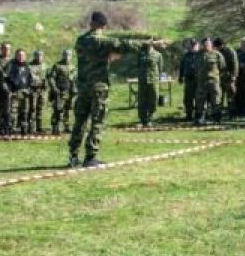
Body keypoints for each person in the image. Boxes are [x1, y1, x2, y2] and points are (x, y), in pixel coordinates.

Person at [68, 11, 163, 167]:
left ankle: (73, 156)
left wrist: (107, 57)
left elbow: (97, 55)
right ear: (104, 26)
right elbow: (124, 44)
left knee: (80, 121)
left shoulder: (80, 41)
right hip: (98, 87)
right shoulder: (102, 41)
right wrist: (149, 44)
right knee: (97, 121)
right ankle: (90, 156)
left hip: (83, 86)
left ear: (91, 24)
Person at [194, 37, 225, 124]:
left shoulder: (217, 54)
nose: (206, 45)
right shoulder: (197, 55)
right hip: (202, 82)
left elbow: (222, 67)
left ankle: (217, 118)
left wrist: (216, 76)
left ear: (211, 44)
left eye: (208, 44)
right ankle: (200, 118)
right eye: (204, 44)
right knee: (200, 100)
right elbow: (195, 68)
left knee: (216, 100)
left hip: (214, 81)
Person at [47, 49, 77, 135]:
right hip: (60, 92)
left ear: (71, 57)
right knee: (58, 110)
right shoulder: (57, 66)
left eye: (69, 55)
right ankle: (55, 127)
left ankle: (66, 126)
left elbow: (74, 79)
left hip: (70, 92)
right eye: (65, 55)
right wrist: (54, 88)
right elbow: (51, 78)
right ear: (63, 55)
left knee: (68, 110)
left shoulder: (73, 67)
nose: (67, 57)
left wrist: (75, 90)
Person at [136, 40, 163, 126]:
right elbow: (138, 66)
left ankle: (150, 118)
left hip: (153, 80)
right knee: (142, 100)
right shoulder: (140, 54)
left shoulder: (158, 54)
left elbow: (160, 68)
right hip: (143, 80)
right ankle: (142, 119)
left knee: (153, 99)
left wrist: (157, 78)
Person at [6, 49, 32, 136]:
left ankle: (23, 130)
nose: (21, 57)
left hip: (25, 93)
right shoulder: (11, 66)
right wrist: (9, 90)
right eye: (19, 55)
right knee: (13, 112)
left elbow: (30, 79)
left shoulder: (28, 66)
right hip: (14, 92)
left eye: (22, 55)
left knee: (24, 112)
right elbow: (7, 79)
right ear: (16, 56)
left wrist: (29, 89)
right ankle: (12, 130)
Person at [215, 38, 238, 120]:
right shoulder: (216, 52)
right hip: (218, 79)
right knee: (219, 98)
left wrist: (233, 78)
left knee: (231, 98)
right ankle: (218, 116)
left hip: (228, 78)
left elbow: (235, 65)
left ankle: (232, 115)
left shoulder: (230, 52)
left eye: (217, 47)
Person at [178, 40, 200, 122]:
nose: (193, 47)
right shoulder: (186, 56)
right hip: (188, 80)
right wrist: (180, 77)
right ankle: (189, 115)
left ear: (198, 46)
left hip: (198, 80)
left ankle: (199, 115)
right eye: (192, 45)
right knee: (188, 98)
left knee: (199, 98)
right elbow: (181, 67)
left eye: (195, 45)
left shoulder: (201, 54)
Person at [27, 50, 48, 134]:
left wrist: (46, 84)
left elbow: (47, 77)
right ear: (34, 56)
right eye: (37, 56)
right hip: (33, 90)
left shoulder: (45, 66)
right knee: (32, 109)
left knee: (40, 108)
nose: (39, 57)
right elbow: (30, 78)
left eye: (41, 56)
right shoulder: (30, 66)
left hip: (42, 90)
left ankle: (39, 127)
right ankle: (31, 127)